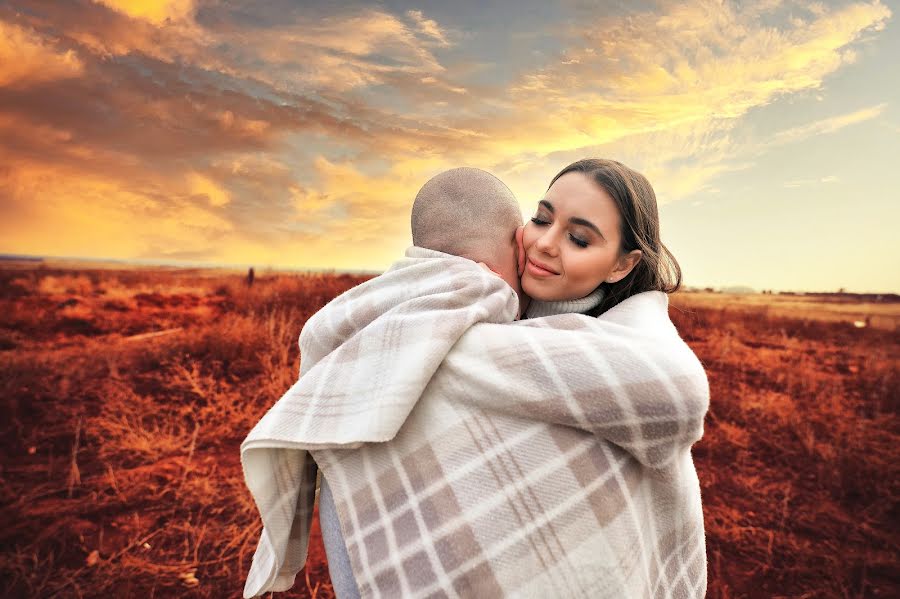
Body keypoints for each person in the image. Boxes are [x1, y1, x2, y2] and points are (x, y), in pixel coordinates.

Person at [241, 160, 709, 598]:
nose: (545, 243)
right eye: (542, 219)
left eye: (580, 240)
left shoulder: (633, 339)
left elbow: (681, 396)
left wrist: (400, 350)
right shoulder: (485, 314)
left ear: (622, 263)